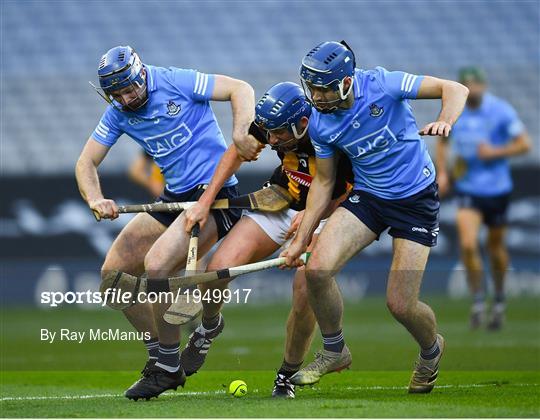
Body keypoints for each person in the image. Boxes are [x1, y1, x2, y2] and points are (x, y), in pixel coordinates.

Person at [281, 41, 469, 393]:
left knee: (400, 304)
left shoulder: (384, 85)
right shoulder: (320, 123)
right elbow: (323, 181)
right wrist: (301, 239)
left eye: (324, 88)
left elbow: (455, 89)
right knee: (317, 269)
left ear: (347, 82)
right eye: (312, 88)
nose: (317, 97)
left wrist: (445, 119)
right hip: (368, 197)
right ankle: (335, 350)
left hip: (415, 200)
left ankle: (431, 350)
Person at [75, 45, 261, 400]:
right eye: (118, 94)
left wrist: (240, 134)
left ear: (142, 74)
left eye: (130, 88)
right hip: (172, 199)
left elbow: (240, 88)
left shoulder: (177, 81)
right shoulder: (118, 111)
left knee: (158, 265)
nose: (127, 98)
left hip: (216, 195)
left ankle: (168, 369)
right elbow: (86, 164)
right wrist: (95, 198)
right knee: (113, 280)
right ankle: (161, 355)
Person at [179, 82, 353, 398]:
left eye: (279, 134)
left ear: (302, 124)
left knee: (305, 288)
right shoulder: (275, 122)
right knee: (219, 269)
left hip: (330, 209)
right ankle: (208, 326)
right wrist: (206, 201)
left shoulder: (333, 131)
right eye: (268, 132)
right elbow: (236, 152)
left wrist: (310, 223)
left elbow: (350, 191)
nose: (271, 141)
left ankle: (285, 376)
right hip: (282, 198)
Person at [435, 66, 530, 330]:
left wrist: (495, 152)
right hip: (468, 188)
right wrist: (443, 172)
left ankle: (498, 298)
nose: (472, 88)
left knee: (495, 248)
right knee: (467, 245)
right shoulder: (456, 108)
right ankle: (478, 300)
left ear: (483, 86)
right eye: (467, 84)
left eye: (475, 84)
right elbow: (442, 140)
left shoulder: (500, 110)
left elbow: (524, 144)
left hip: (497, 190)